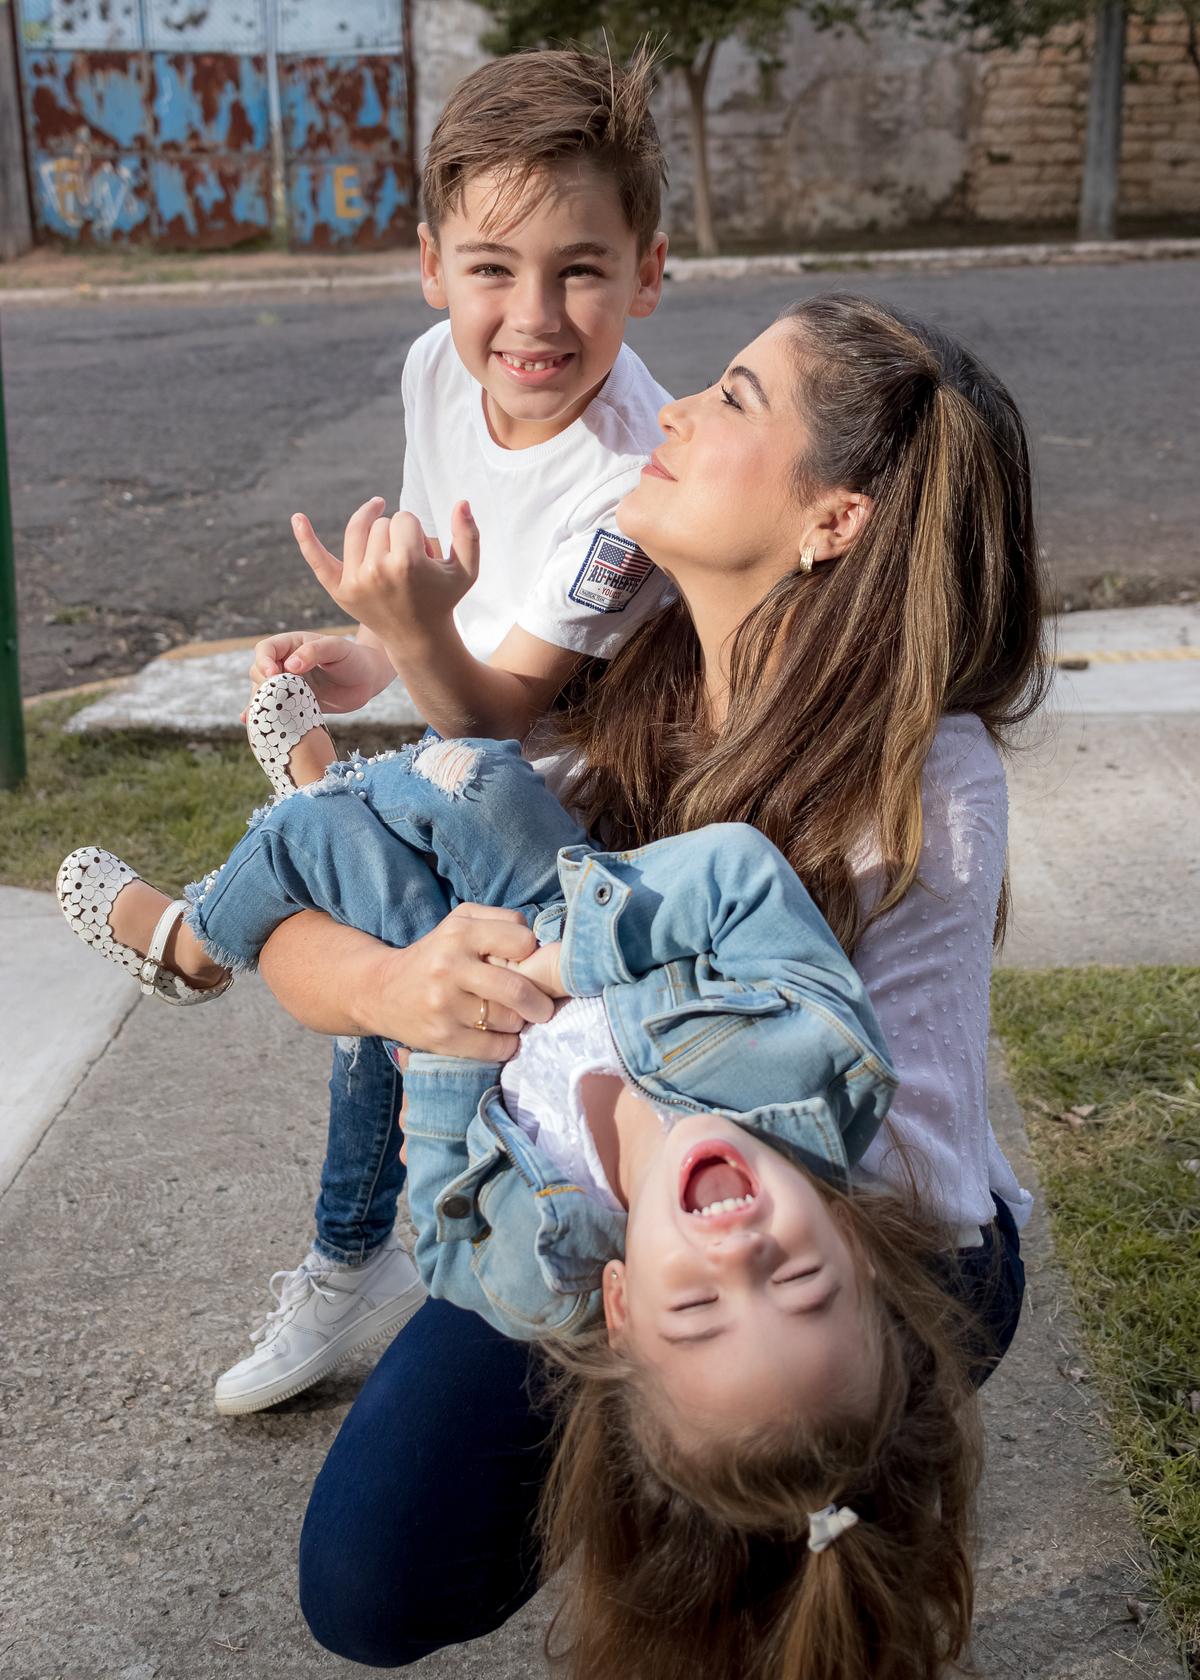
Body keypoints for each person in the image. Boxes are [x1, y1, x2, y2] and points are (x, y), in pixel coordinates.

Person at [243, 293, 1046, 1672]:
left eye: (734, 399)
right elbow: (303, 933)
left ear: (833, 520)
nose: (671, 409)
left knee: (750, 1473)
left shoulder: (917, 786)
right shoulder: (630, 659)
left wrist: (545, 1039)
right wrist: (401, 990)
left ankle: (784, 1555)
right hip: (624, 1198)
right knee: (370, 1583)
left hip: (861, 1251)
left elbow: (856, 1162)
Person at [204, 45, 677, 1410]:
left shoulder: (635, 477)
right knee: (391, 981)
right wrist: (368, 653)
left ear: (649, 272)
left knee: (424, 997)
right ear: (429, 266)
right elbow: (465, 634)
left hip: (593, 820)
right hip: (463, 776)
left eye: (582, 268)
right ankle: (375, 1255)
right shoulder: (431, 373)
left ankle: (396, 1254)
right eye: (490, 267)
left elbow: (508, 703)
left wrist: (413, 641)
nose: (532, 316)